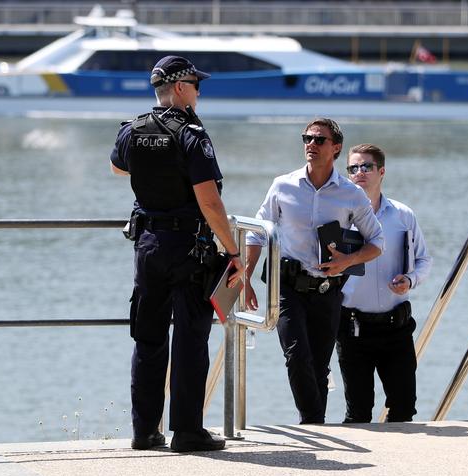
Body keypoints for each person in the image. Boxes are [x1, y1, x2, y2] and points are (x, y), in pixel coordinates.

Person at [110, 55, 244, 452]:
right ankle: (187, 431)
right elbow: (210, 202)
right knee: (189, 338)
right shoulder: (191, 134)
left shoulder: (132, 130)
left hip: (148, 246)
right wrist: (234, 253)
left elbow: (119, 169)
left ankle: (145, 431)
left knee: (148, 338)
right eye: (197, 86)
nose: (199, 94)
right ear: (182, 88)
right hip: (190, 249)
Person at [244, 118, 384, 424]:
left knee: (319, 366)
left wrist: (346, 262)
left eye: (319, 140)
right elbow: (257, 233)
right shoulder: (283, 185)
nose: (311, 144)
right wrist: (246, 278)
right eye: (307, 138)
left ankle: (315, 424)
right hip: (286, 286)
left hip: (327, 289)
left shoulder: (351, 194)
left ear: (335, 148)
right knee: (296, 356)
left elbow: (377, 242)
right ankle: (311, 422)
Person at [337, 144, 432, 423]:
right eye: (353, 168)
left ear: (381, 172)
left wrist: (410, 280)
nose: (359, 173)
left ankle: (399, 464)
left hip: (396, 327)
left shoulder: (403, 215)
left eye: (366, 166)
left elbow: (424, 260)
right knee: (358, 413)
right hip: (353, 328)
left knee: (404, 409)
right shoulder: (339, 217)